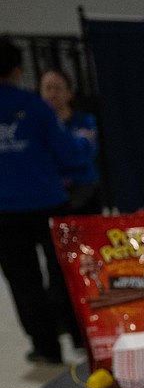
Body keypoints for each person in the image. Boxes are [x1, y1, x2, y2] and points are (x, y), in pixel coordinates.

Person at [0, 37, 94, 364]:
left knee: (23, 280)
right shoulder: (35, 107)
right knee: (65, 271)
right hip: (47, 202)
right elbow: (69, 155)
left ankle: (46, 346)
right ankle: (81, 337)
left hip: (4, 211)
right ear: (17, 70)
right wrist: (82, 144)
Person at [39, 68, 102, 215]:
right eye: (48, 88)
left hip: (85, 191)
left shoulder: (86, 121)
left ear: (69, 93)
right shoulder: (36, 127)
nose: (52, 94)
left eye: (58, 88)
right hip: (52, 194)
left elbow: (82, 156)